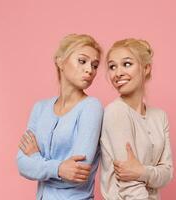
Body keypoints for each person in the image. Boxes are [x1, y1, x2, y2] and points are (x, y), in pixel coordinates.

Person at [16, 34, 104, 200]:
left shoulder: (92, 107)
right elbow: (21, 163)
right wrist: (59, 169)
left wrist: (36, 160)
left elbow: (78, 172)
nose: (90, 70)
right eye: (82, 61)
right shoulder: (40, 108)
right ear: (60, 61)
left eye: (95, 65)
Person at [100, 38, 173, 199]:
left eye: (126, 64)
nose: (118, 73)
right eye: (112, 67)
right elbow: (129, 185)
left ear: (146, 68)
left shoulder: (159, 116)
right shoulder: (116, 112)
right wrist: (150, 174)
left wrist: (141, 171)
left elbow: (167, 173)